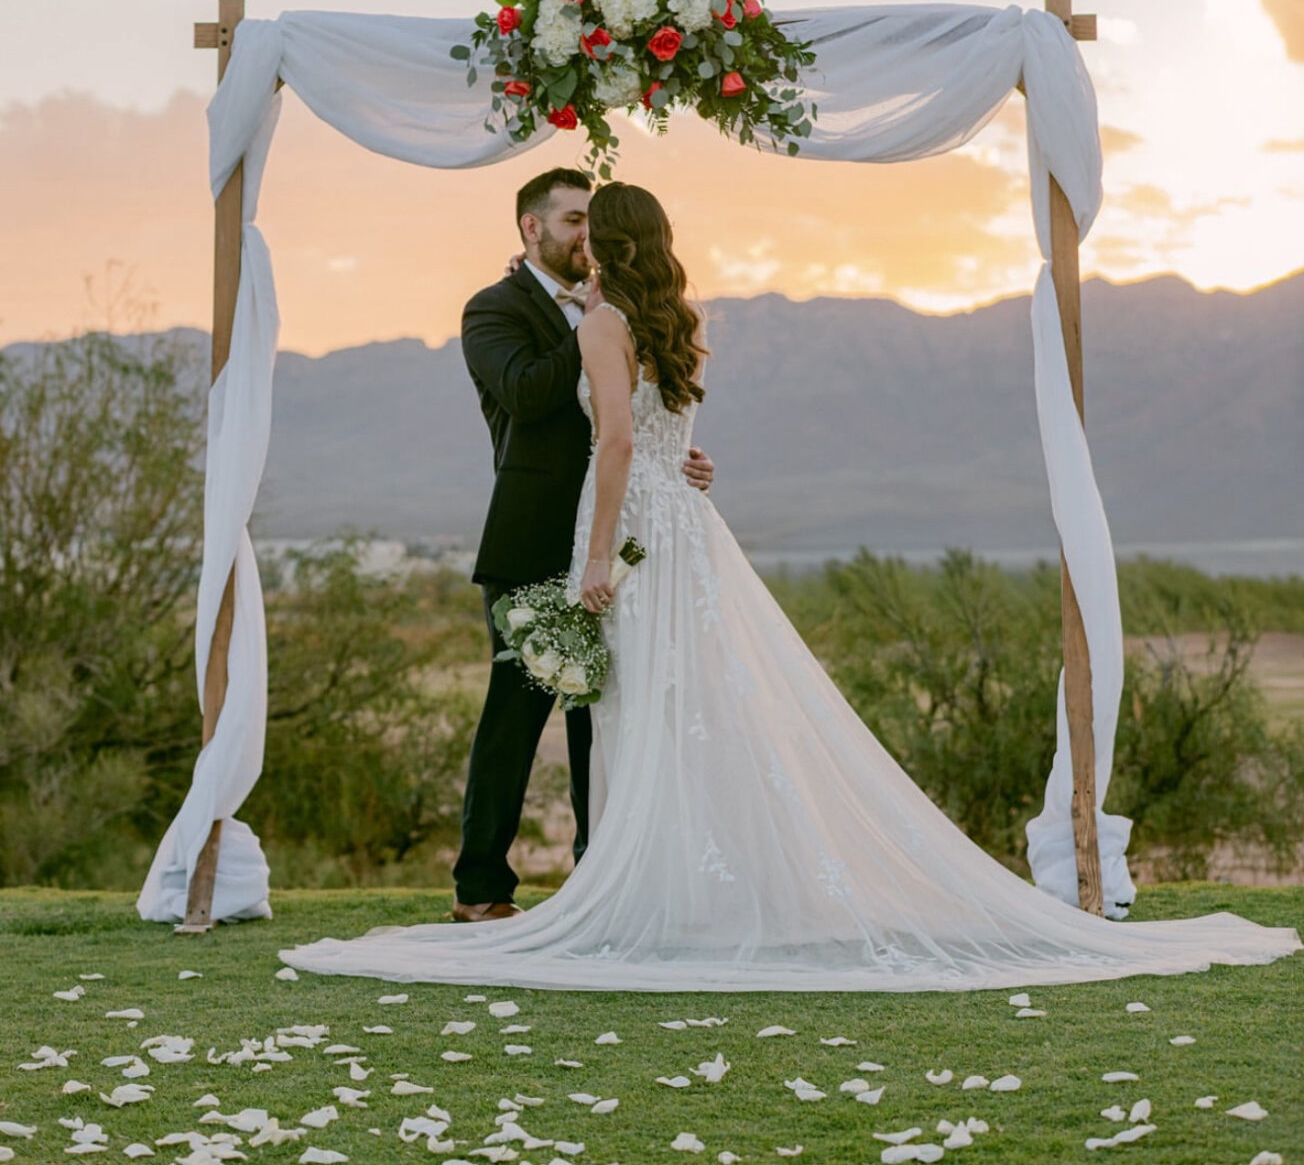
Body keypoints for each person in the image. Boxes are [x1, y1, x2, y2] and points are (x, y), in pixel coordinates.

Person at [282, 183, 1300, 990]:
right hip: (688, 533)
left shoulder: (600, 324)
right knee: (695, 705)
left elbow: (620, 445)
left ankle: (661, 894)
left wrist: (595, 560)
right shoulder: (669, 315)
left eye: (594, 226)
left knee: (647, 707)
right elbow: (665, 433)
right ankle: (687, 891)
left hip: (639, 531)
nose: (583, 237)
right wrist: (672, 477)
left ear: (608, 242)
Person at [450, 168, 714, 923]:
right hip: (534, 535)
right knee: (517, 711)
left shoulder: (624, 316)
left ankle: (601, 879)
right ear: (532, 229)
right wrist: (592, 328)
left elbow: (632, 419)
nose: (585, 236)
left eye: (592, 222)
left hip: (621, 535)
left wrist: (682, 462)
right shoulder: (491, 310)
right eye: (572, 221)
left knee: (605, 715)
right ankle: (481, 887)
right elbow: (529, 393)